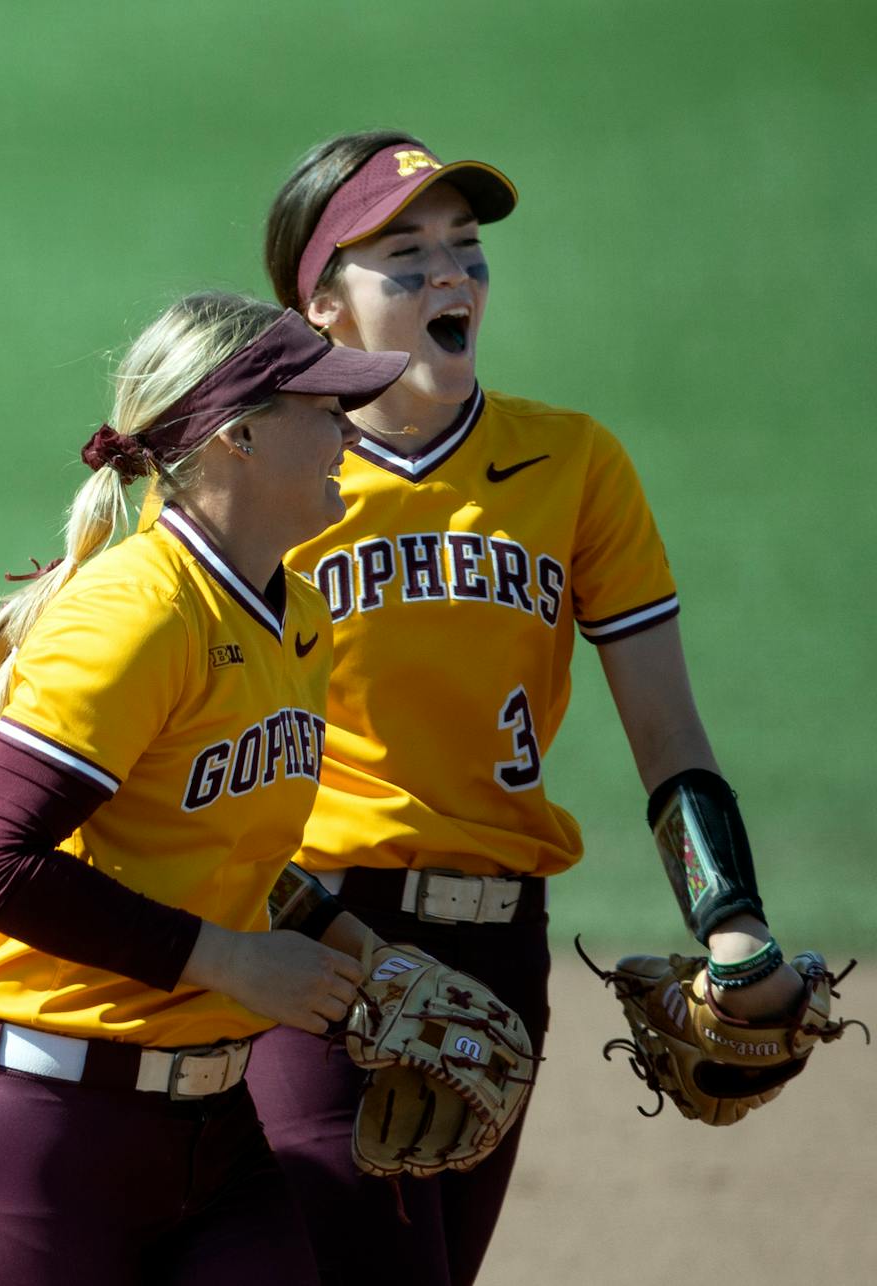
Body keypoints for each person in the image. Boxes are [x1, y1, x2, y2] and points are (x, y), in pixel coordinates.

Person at [241, 133, 803, 1286]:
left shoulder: (573, 464)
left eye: (466, 248)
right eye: (405, 256)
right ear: (324, 305)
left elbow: (670, 733)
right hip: (314, 933)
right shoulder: (269, 472)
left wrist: (732, 924)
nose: (451, 276)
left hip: (501, 950)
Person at [0, 291, 415, 1284]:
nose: (348, 429)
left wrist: (366, 955)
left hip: (216, 1148)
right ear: (239, 434)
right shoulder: (136, 617)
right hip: (45, 1146)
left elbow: (223, 849)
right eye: (323, 406)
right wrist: (227, 960)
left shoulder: (298, 615)